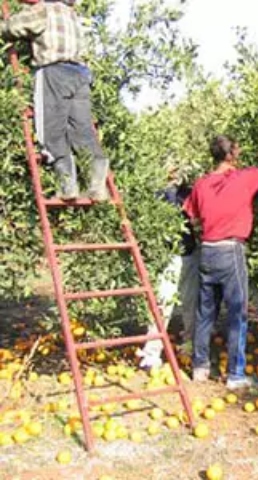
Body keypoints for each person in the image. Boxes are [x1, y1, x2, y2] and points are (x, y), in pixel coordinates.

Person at [183, 135, 258, 390]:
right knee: (237, 312)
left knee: (205, 312)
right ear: (232, 153)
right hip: (230, 250)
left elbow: (192, 215)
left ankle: (200, 367)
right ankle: (236, 374)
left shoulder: (201, 184)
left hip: (207, 250)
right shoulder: (243, 178)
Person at [1, 0, 110, 201]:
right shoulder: (71, 14)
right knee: (82, 130)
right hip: (80, 74)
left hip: (54, 73)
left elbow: (12, 28)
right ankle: (98, 185)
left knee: (51, 130)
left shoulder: (43, 11)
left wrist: (5, 24)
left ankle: (67, 185)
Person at [137, 167, 199, 370]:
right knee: (165, 303)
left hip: (188, 254)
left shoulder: (185, 192)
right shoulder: (163, 193)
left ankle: (187, 347)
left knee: (189, 304)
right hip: (171, 256)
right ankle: (152, 352)